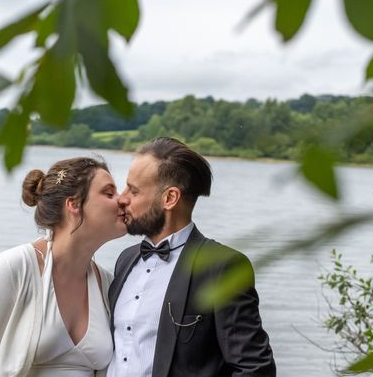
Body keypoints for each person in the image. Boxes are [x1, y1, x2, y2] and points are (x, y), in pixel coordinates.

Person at [107, 137, 276, 377]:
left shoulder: (222, 267)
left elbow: (255, 368)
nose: (122, 198)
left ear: (169, 198)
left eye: (133, 190)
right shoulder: (126, 259)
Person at [0, 157, 127, 377]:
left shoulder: (107, 283)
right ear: (73, 204)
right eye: (109, 193)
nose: (122, 200)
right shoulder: (14, 268)